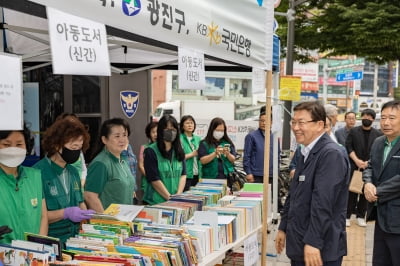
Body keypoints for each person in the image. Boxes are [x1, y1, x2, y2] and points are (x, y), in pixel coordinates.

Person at [275, 101, 350, 266]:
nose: (295, 127)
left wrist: (314, 242)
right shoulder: (305, 151)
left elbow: (323, 203)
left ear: (320, 125)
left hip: (320, 248)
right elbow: (294, 194)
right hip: (301, 242)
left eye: (301, 122)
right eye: (293, 122)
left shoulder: (331, 154)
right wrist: (283, 226)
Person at [33, 118, 92, 244]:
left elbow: (80, 202)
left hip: (75, 240)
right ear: (57, 145)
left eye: (79, 148)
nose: (76, 152)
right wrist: (65, 213)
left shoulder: (74, 172)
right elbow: (35, 216)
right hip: (51, 241)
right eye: (73, 146)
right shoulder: (37, 173)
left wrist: (85, 214)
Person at [363, 100, 400, 266]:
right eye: (383, 117)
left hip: (397, 219)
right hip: (379, 216)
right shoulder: (379, 142)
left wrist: (377, 190)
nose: (386, 122)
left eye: (392, 118)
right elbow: (370, 166)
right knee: (379, 260)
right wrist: (368, 183)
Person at [0, 126, 48, 244]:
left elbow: (43, 217)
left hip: (33, 256)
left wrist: (38, 248)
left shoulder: (35, 176)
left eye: (19, 144)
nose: (13, 150)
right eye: (6, 145)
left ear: (27, 147)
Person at [84, 118, 135, 212]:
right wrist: (105, 220)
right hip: (109, 224)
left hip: (124, 222)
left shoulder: (122, 160)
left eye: (124, 135)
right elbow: (90, 196)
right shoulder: (101, 163)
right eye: (117, 136)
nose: (122, 140)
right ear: (104, 139)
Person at [345, 108, 382, 227]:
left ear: (373, 119)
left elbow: (378, 151)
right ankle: (347, 216)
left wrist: (367, 163)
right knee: (352, 191)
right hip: (354, 165)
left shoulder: (378, 134)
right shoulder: (354, 131)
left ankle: (361, 216)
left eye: (369, 116)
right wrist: (357, 160)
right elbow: (348, 147)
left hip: (370, 167)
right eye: (364, 116)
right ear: (361, 117)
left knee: (365, 192)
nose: (367, 118)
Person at [143, 115, 186, 205]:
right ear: (160, 130)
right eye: (167, 129)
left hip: (176, 200)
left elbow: (183, 174)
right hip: (156, 202)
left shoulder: (178, 150)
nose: (170, 132)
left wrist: (178, 195)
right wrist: (170, 198)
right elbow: (154, 179)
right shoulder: (151, 151)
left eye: (173, 129)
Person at [243, 111, 279, 183]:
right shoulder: (251, 136)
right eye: (262, 121)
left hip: (271, 174)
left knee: (270, 194)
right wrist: (249, 172)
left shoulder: (274, 138)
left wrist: (276, 172)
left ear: (271, 122)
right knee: (257, 194)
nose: (264, 123)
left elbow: (277, 156)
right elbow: (247, 156)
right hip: (256, 175)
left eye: (267, 121)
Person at [180, 115, 201, 191]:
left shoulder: (198, 138)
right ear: (182, 126)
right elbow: (178, 157)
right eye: (187, 123)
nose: (190, 125)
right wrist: (193, 154)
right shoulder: (179, 138)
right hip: (186, 174)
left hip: (197, 174)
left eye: (192, 123)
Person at [138, 121, 157, 202]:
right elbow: (140, 165)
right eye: (153, 132)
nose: (156, 134)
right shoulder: (144, 147)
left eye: (158, 131)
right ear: (149, 134)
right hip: (147, 181)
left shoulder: (163, 149)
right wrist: (150, 176)